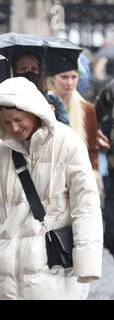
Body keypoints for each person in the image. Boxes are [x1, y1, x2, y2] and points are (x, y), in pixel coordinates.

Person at [0, 77, 103, 299]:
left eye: (18, 119)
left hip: (56, 271)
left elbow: (85, 205)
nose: (14, 128)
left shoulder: (68, 143)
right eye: (6, 123)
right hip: (8, 272)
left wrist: (87, 263)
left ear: (33, 111)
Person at [0, 51, 69, 166]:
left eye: (33, 69)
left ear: (40, 72)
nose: (29, 73)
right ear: (14, 72)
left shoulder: (53, 102)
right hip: (7, 167)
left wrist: (47, 117)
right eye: (23, 69)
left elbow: (63, 140)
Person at [48, 67, 107, 199]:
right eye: (64, 77)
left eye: (74, 77)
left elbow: (92, 147)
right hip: (51, 170)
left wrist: (91, 173)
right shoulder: (44, 103)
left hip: (78, 171)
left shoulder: (87, 108)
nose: (69, 82)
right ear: (53, 78)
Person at [94, 79, 114, 257]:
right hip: (111, 170)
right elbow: (95, 118)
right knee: (110, 234)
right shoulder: (110, 90)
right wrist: (98, 135)